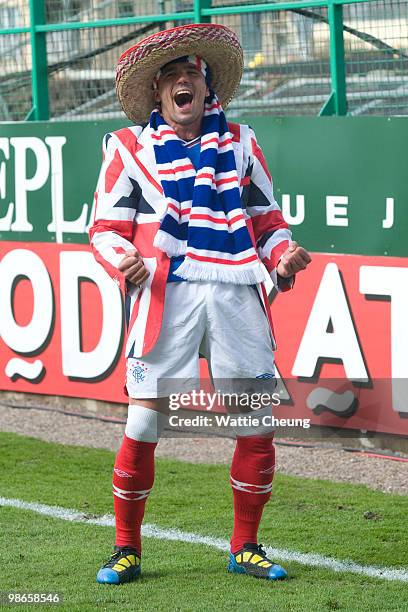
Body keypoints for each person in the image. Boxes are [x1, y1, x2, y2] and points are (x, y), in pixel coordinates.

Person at [89, 23, 311, 586]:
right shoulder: (127, 146)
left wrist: (283, 256)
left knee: (254, 423)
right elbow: (104, 228)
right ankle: (126, 549)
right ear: (159, 92)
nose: (184, 81)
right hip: (167, 294)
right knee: (143, 422)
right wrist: (125, 260)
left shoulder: (241, 141)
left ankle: (246, 546)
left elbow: (267, 222)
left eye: (194, 73)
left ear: (208, 88)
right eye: (173, 76)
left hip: (237, 290)